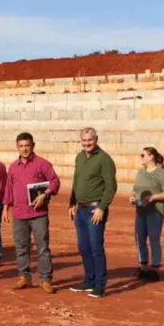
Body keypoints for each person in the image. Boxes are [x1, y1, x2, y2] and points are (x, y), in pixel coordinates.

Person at [2, 132, 61, 293]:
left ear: (33, 145)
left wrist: (45, 194)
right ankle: (24, 277)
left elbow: (55, 182)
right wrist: (6, 208)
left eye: (27, 145)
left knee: (42, 247)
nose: (24, 149)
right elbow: (9, 189)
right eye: (21, 146)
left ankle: (45, 279)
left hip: (38, 214)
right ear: (17, 147)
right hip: (19, 214)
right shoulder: (13, 167)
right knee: (21, 247)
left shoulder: (43, 164)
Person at [67, 127, 117, 299]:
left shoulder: (104, 159)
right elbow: (76, 180)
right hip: (80, 209)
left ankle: (100, 285)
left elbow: (111, 187)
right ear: (80, 141)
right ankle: (89, 280)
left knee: (96, 247)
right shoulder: (80, 157)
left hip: (95, 210)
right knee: (83, 247)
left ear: (96, 139)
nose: (87, 143)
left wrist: (102, 208)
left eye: (90, 140)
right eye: (84, 140)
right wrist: (72, 202)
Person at [131, 146, 164, 282]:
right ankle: (143, 266)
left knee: (154, 239)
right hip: (141, 210)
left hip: (155, 211)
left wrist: (153, 198)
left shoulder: (161, 174)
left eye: (143, 155)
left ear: (151, 157)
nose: (141, 157)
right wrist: (132, 196)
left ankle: (155, 268)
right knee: (139, 238)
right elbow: (135, 189)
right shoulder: (140, 173)